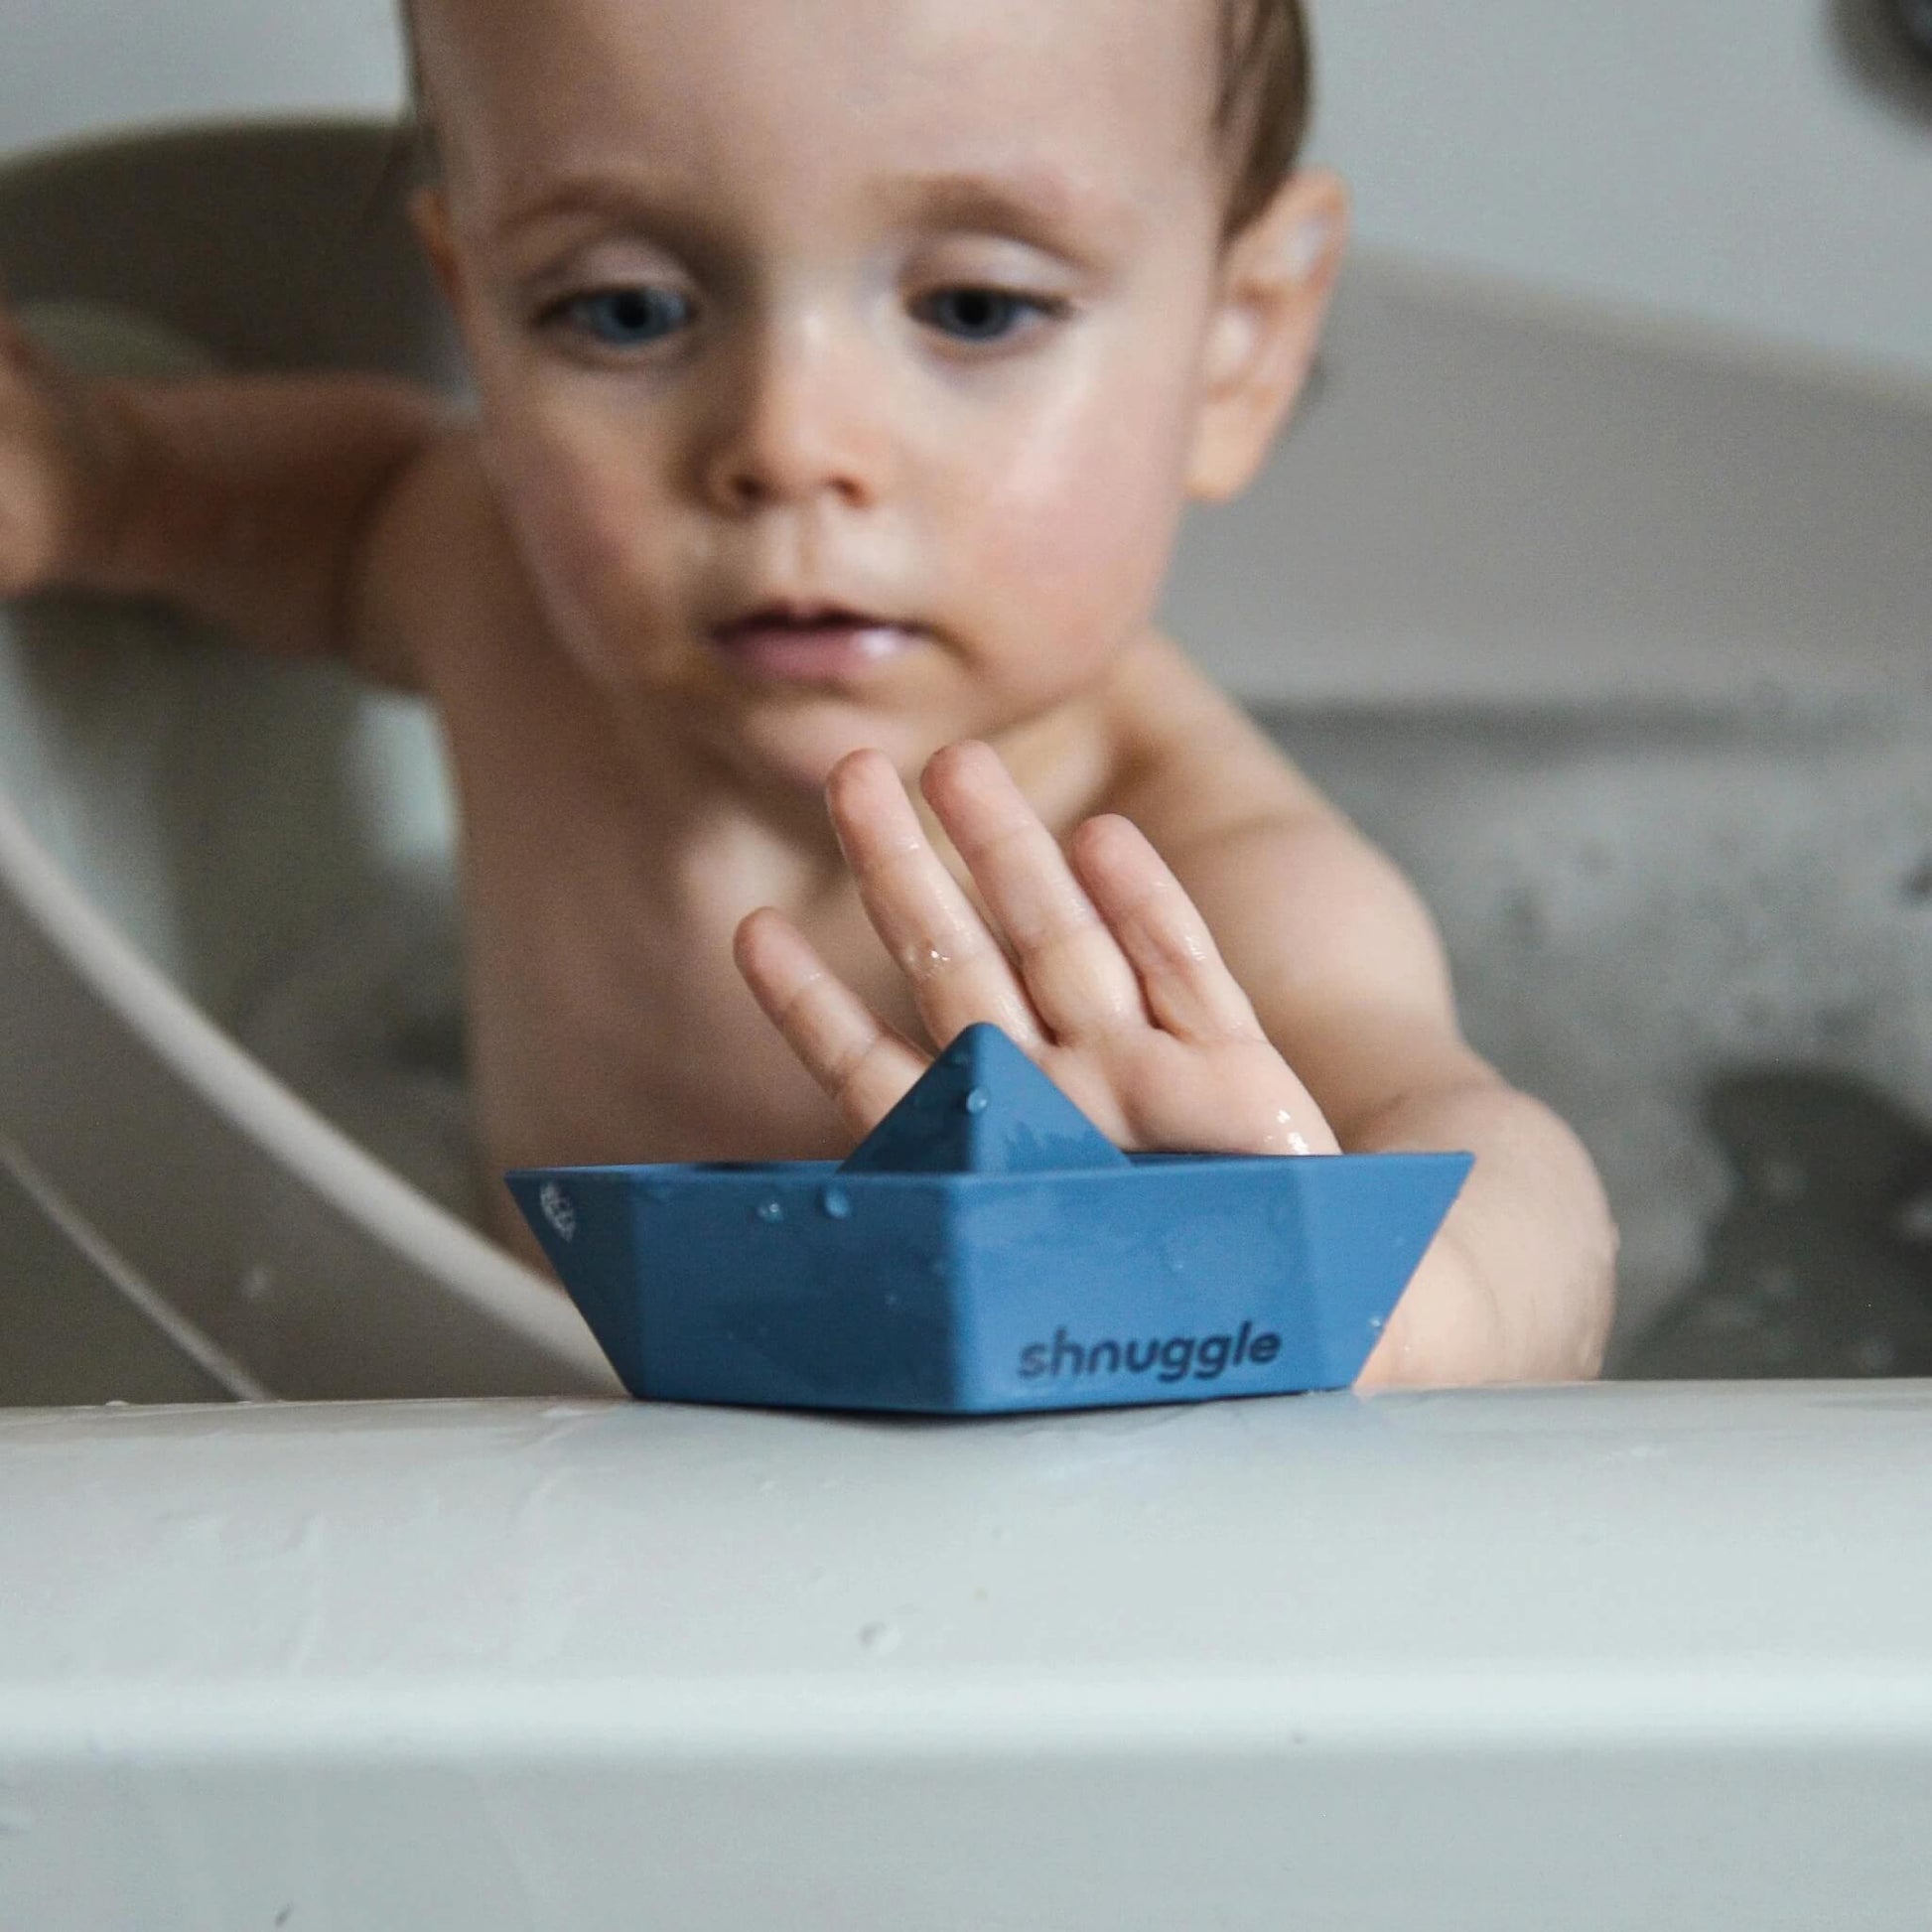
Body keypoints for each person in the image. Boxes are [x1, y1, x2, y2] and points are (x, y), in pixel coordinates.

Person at [0, 0, 1615, 1383]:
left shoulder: (1197, 892)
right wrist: (105, 479)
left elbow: (1519, 1181)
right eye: (623, 311)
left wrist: (1361, 1298)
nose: (786, 441)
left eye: (973, 307)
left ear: (1237, 348)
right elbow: (333, 519)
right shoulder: (487, 589)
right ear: (478, 321)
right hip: (495, 1442)